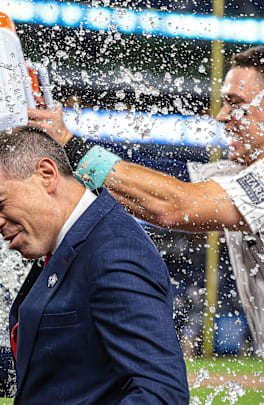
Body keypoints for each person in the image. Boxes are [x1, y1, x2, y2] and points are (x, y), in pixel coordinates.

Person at [28, 46, 264, 354]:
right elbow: (148, 177)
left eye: (236, 104)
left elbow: (175, 206)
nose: (222, 116)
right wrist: (66, 146)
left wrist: (71, 147)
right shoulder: (237, 169)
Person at [0, 126, 189, 404]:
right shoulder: (75, 238)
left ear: (46, 174)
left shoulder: (113, 253)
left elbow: (161, 395)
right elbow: (80, 370)